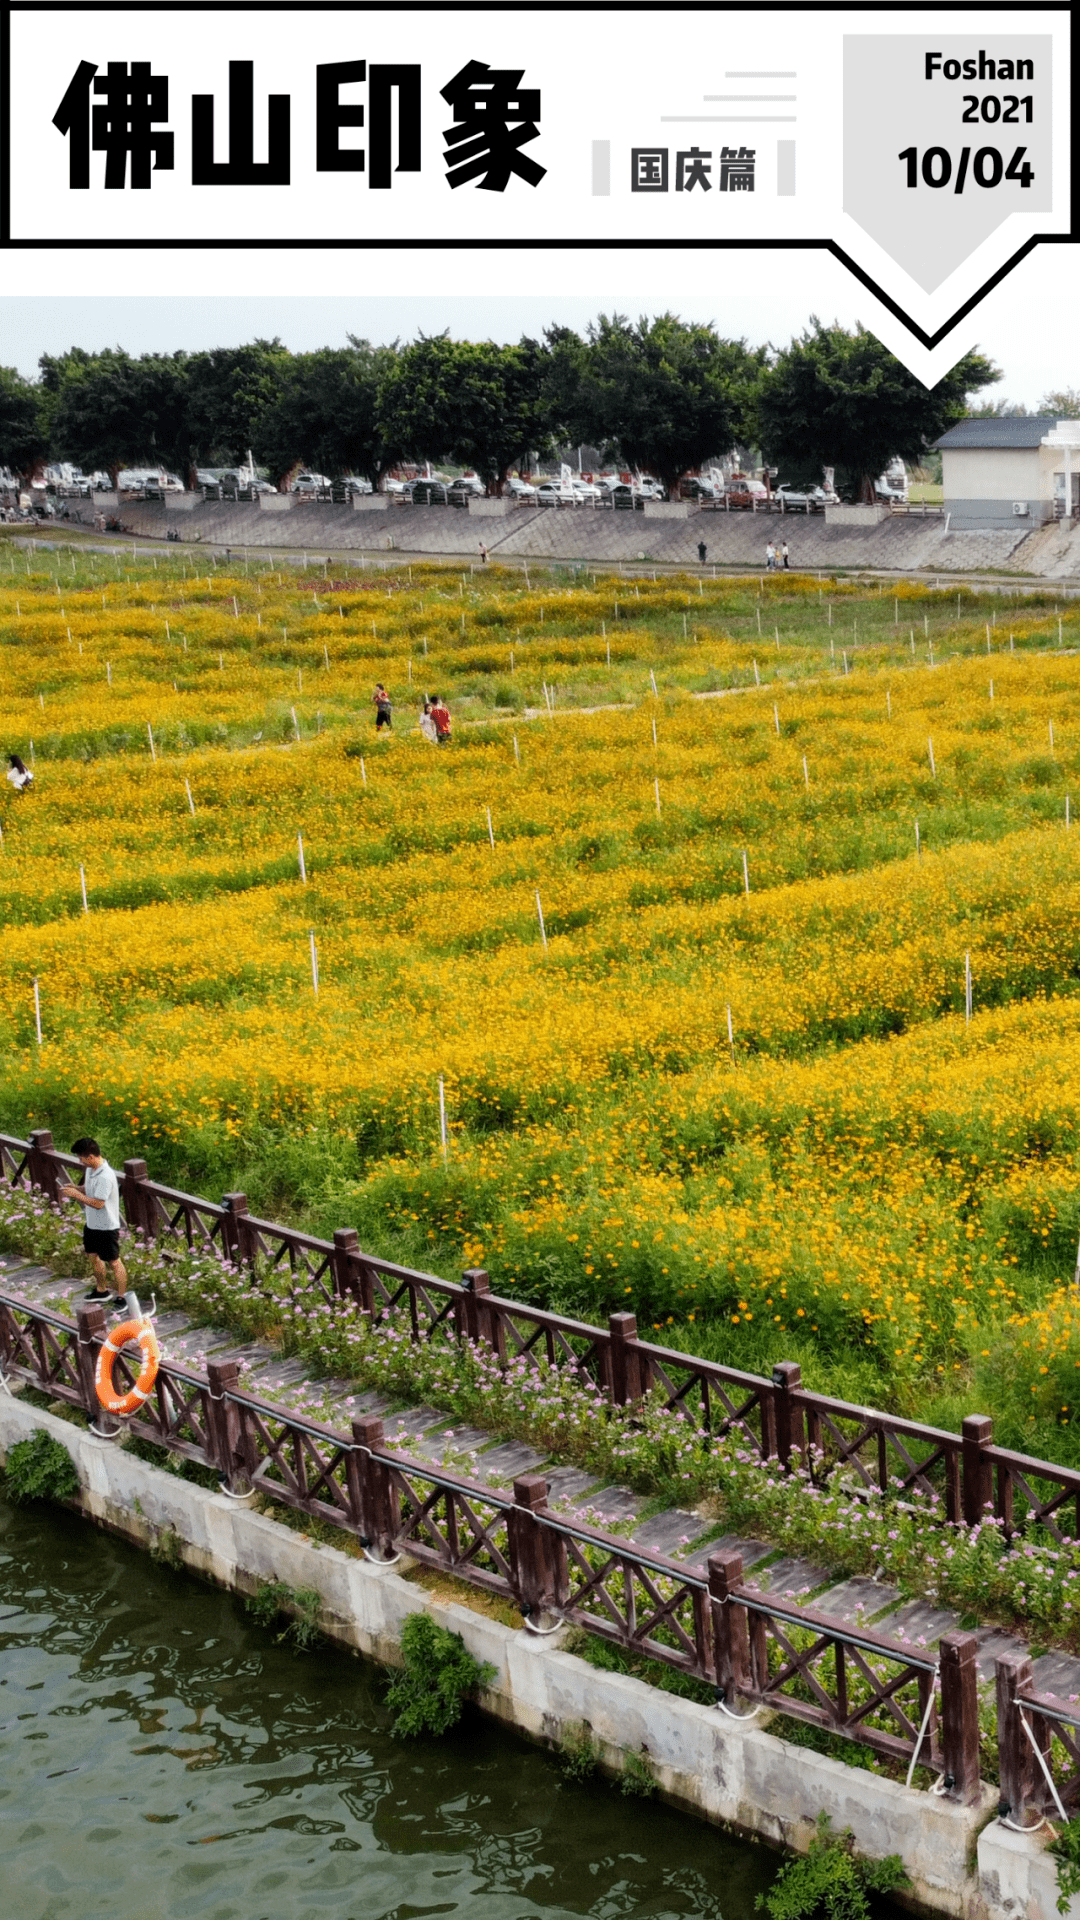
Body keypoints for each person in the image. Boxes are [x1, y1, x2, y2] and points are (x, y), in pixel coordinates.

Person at [59, 1137, 128, 1305]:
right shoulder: (91, 1170)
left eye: (80, 1157)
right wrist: (77, 1188)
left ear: (90, 1156)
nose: (79, 1161)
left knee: (114, 1261)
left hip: (106, 1226)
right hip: (91, 1223)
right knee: (93, 1256)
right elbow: (90, 1190)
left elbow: (98, 1203)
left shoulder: (106, 1176)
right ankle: (101, 1290)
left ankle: (122, 1297)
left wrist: (77, 1196)